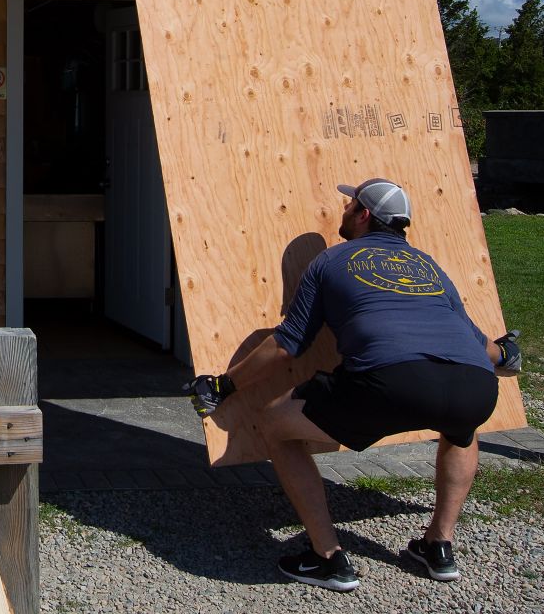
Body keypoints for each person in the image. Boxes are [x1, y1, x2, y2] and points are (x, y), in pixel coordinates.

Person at [188, 177, 521, 592]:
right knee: (460, 428)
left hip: (391, 382)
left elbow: (287, 345)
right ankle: (438, 546)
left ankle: (327, 558)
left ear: (364, 214)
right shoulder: (427, 265)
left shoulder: (332, 260)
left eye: (349, 205)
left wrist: (223, 385)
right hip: (475, 384)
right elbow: (474, 339)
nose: (342, 211)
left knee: (276, 427)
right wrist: (505, 356)